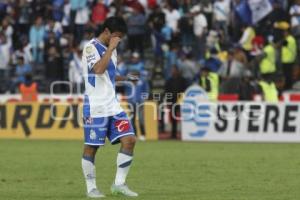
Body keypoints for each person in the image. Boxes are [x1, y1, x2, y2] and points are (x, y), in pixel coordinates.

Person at [81, 17, 138, 198]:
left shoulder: (111, 51)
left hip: (113, 105)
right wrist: (111, 48)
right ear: (106, 31)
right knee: (92, 147)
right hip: (95, 106)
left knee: (130, 140)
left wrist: (126, 78)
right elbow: (98, 70)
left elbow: (108, 75)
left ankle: (119, 184)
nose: (119, 40)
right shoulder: (91, 47)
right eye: (117, 36)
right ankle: (91, 188)